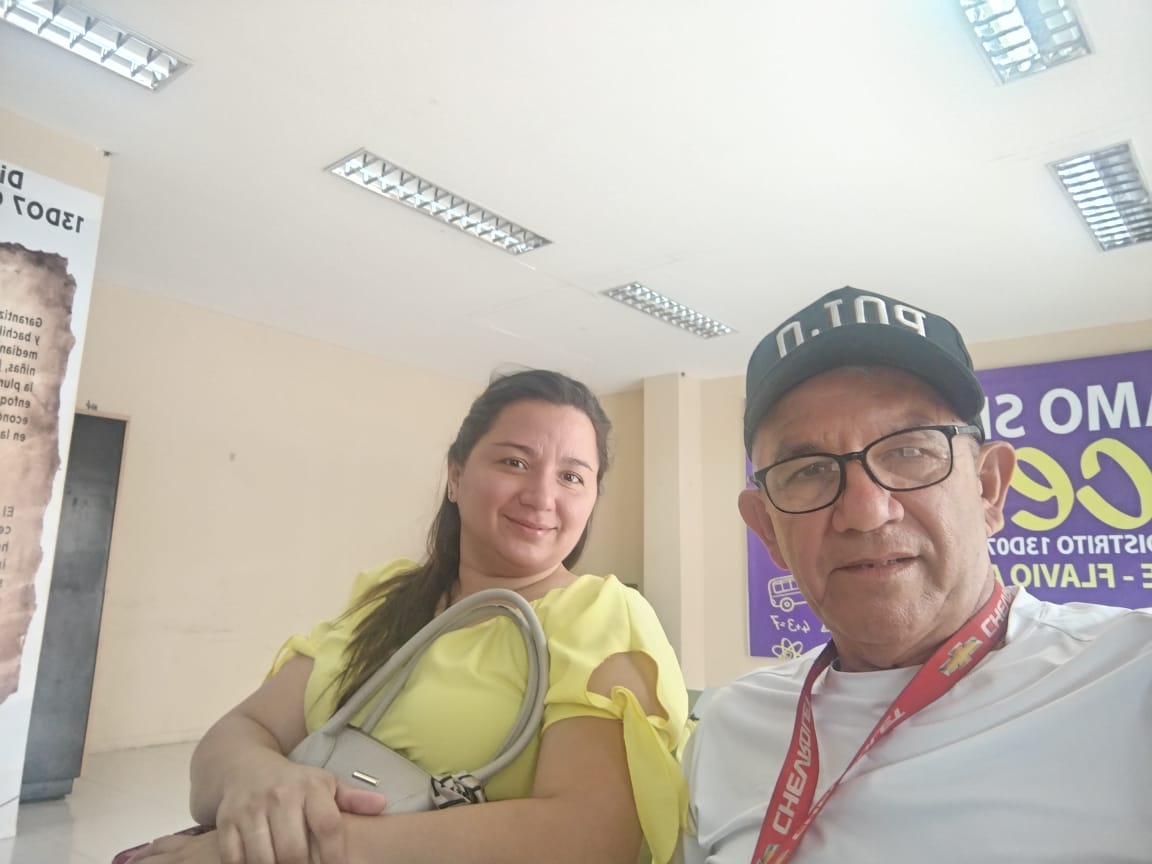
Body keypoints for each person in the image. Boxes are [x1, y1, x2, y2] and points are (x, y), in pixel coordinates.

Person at [131, 369, 690, 864]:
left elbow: (590, 840)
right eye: (515, 462)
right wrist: (261, 780)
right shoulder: (389, 595)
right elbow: (234, 738)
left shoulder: (599, 615)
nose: (542, 496)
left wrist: (315, 847)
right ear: (456, 474)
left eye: (572, 476)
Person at [679, 286, 1152, 863]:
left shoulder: (1130, 677)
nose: (865, 511)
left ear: (989, 488)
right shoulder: (727, 728)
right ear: (768, 530)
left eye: (909, 452)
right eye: (808, 471)